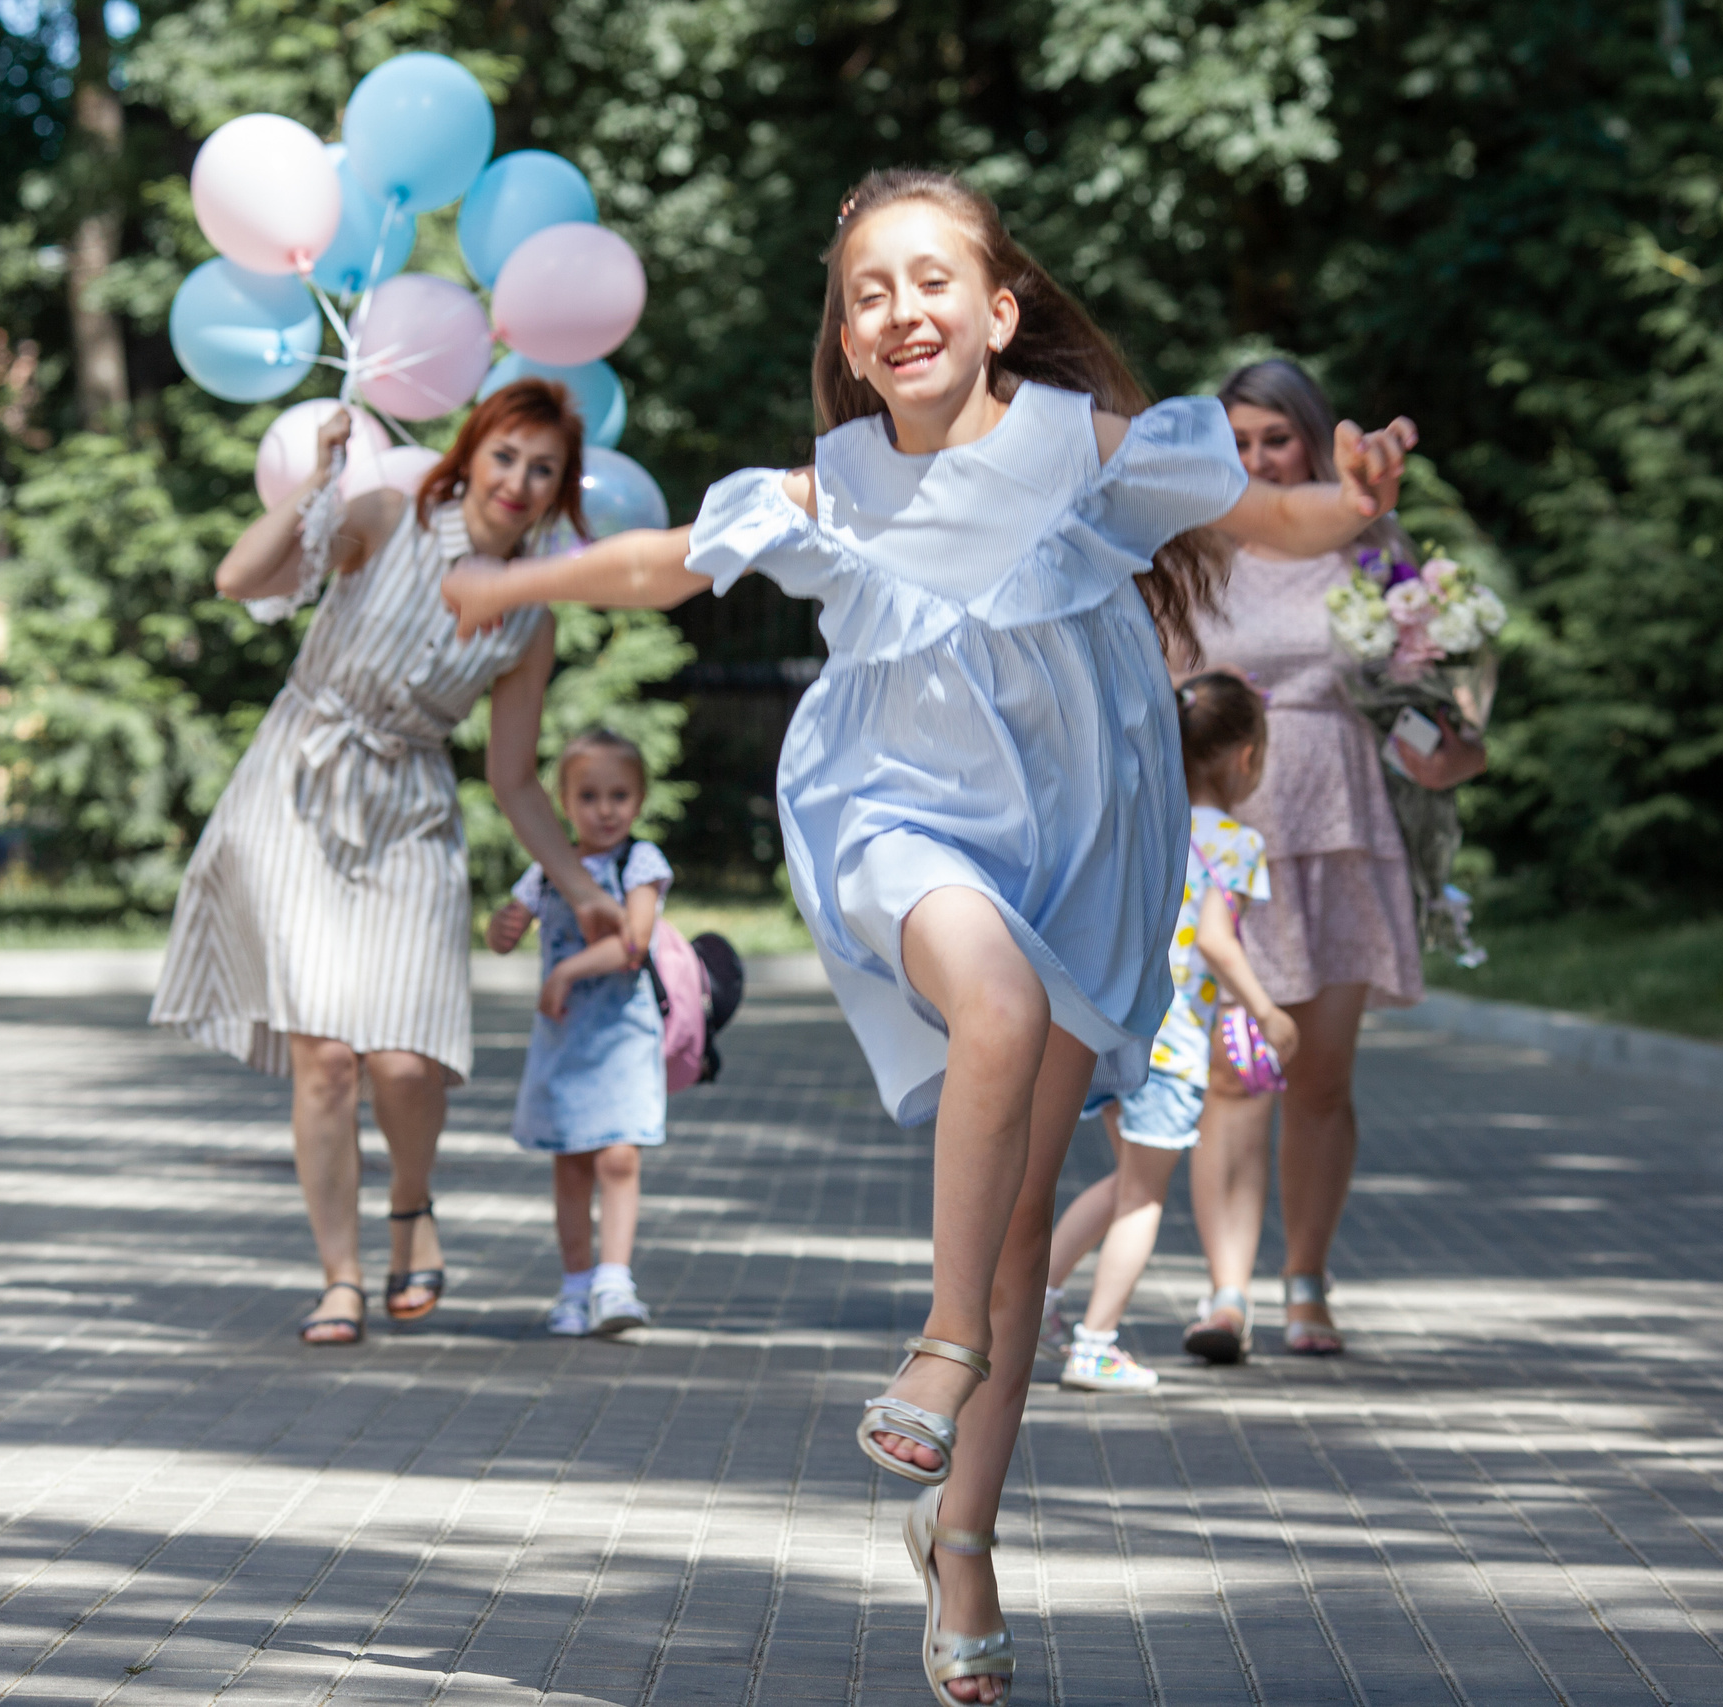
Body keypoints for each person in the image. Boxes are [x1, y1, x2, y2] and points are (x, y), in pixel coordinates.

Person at [436, 170, 1414, 1704]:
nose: (900, 309)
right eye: (867, 291)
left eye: (931, 280)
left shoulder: (1080, 442)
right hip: (898, 815)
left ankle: (961, 1535)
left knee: (1028, 1216)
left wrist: (1352, 499)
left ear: (1000, 309)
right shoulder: (840, 476)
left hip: (1085, 843)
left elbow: (1265, 510)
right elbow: (664, 560)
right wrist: (514, 575)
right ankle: (943, 1337)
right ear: (846, 330)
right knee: (997, 1012)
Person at [150, 381, 624, 1348]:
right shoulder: (384, 515)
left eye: (542, 469)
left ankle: (413, 1204)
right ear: (471, 451)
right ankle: (341, 1276)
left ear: (560, 488)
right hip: (299, 784)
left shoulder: (530, 613)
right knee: (324, 1055)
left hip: (411, 807)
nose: (518, 481)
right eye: (505, 456)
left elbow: (513, 778)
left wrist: (581, 889)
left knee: (406, 1061)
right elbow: (239, 579)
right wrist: (318, 480)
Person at [1180, 358, 1485, 1363]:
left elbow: (1438, 693)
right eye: (1234, 445)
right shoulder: (1193, 548)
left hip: (1343, 816)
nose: (1256, 461)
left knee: (1318, 1076)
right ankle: (1225, 1295)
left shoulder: (1368, 544)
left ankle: (1305, 1280)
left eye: (1274, 439)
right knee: (1236, 1072)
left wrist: (1453, 739)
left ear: (1312, 441)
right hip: (1231, 828)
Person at [1039, 672, 1294, 1395]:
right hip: (1175, 1045)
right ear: (1246, 757)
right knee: (1143, 1200)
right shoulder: (1236, 843)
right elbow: (1217, 940)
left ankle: (1037, 1305)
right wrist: (1268, 1011)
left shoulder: (1142, 825)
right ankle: (1095, 1342)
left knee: (1126, 1183)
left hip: (1114, 1029)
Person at [484, 728, 672, 1337]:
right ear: (564, 804)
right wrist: (506, 925)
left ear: (639, 800)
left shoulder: (639, 863)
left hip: (620, 1036)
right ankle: (573, 1286)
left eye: (619, 795)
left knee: (619, 1155)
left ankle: (615, 1281)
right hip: (564, 1043)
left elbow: (633, 942)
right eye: (589, 796)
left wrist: (566, 969)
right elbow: (499, 940)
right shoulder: (545, 871)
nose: (606, 808)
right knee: (570, 1164)